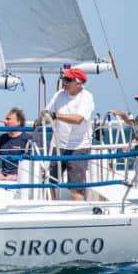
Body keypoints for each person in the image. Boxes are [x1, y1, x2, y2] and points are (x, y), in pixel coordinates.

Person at [41, 67, 95, 201]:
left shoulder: (86, 97)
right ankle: (50, 212)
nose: (64, 82)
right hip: (58, 145)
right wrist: (43, 119)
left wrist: (56, 116)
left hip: (78, 147)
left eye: (68, 79)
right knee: (49, 183)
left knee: (76, 188)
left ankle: (77, 215)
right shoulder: (59, 94)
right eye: (64, 79)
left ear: (78, 82)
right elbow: (47, 113)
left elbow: (78, 119)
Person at [0, 108, 33, 178]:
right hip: (3, 176)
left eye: (8, 119)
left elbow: (30, 161)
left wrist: (17, 176)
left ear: (18, 122)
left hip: (21, 177)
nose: (5, 121)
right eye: (5, 119)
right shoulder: (3, 138)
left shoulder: (27, 138)